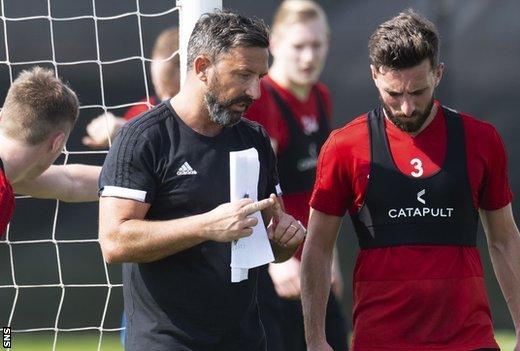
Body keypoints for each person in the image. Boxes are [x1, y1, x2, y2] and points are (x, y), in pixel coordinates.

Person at [301, 9, 520, 351]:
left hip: (468, 341)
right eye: (394, 95)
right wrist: (315, 340)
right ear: (374, 76)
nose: (407, 107)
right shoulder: (344, 146)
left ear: (438, 74)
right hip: (381, 341)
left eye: (418, 92)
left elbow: (504, 239)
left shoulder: (481, 139)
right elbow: (318, 248)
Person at [98, 10, 306, 351]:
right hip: (166, 341)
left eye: (260, 77)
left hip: (245, 338)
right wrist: (205, 226)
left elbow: (273, 243)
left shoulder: (254, 138)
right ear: (201, 68)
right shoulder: (144, 138)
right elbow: (114, 241)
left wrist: (285, 241)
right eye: (243, 75)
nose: (255, 91)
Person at [244, 1, 348, 350]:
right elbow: (252, 188)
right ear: (275, 45)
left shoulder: (320, 96)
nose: (308, 57)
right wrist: (272, 259)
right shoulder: (263, 99)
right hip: (276, 267)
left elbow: (319, 190)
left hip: (312, 260)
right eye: (299, 46)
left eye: (316, 46)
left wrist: (327, 253)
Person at [0, 67, 100, 238]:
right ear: (57, 143)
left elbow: (71, 181)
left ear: (2, 116)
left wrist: (142, 180)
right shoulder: (2, 194)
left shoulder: (10, 176)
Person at [82, 27, 180, 148]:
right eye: (160, 90)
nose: (165, 100)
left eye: (173, 93)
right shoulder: (143, 109)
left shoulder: (207, 115)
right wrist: (121, 131)